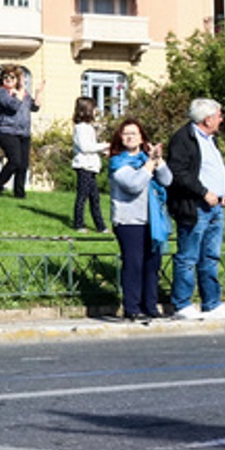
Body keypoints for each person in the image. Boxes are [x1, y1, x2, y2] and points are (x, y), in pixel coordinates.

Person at [167, 98, 225, 321]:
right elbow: (179, 173)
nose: (221, 119)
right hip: (195, 207)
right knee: (188, 256)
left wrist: (224, 190)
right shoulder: (183, 139)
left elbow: (213, 168)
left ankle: (212, 302)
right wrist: (203, 192)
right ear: (207, 119)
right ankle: (182, 304)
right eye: (219, 115)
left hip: (216, 206)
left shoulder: (211, 140)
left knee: (211, 256)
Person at [107, 117, 170, 322]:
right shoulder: (118, 162)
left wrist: (158, 161)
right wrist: (149, 164)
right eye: (126, 134)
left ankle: (150, 305)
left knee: (152, 264)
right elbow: (134, 184)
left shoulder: (147, 159)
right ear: (120, 138)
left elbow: (167, 180)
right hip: (129, 220)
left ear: (142, 137)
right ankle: (132, 306)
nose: (130, 137)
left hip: (153, 220)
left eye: (134, 133)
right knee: (133, 264)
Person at [0, 65, 36, 199]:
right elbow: (13, 105)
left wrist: (38, 94)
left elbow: (34, 107)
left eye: (12, 77)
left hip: (24, 132)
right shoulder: (2, 92)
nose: (8, 79)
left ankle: (19, 193)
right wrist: (20, 93)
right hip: (7, 130)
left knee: (23, 164)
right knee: (14, 161)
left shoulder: (24, 94)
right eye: (5, 77)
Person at [71, 97, 108, 233]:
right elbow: (86, 147)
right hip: (84, 166)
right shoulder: (80, 128)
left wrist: (103, 150)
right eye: (93, 109)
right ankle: (78, 224)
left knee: (95, 198)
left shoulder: (89, 128)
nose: (95, 112)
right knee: (83, 196)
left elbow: (91, 146)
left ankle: (101, 226)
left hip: (91, 167)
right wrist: (104, 146)